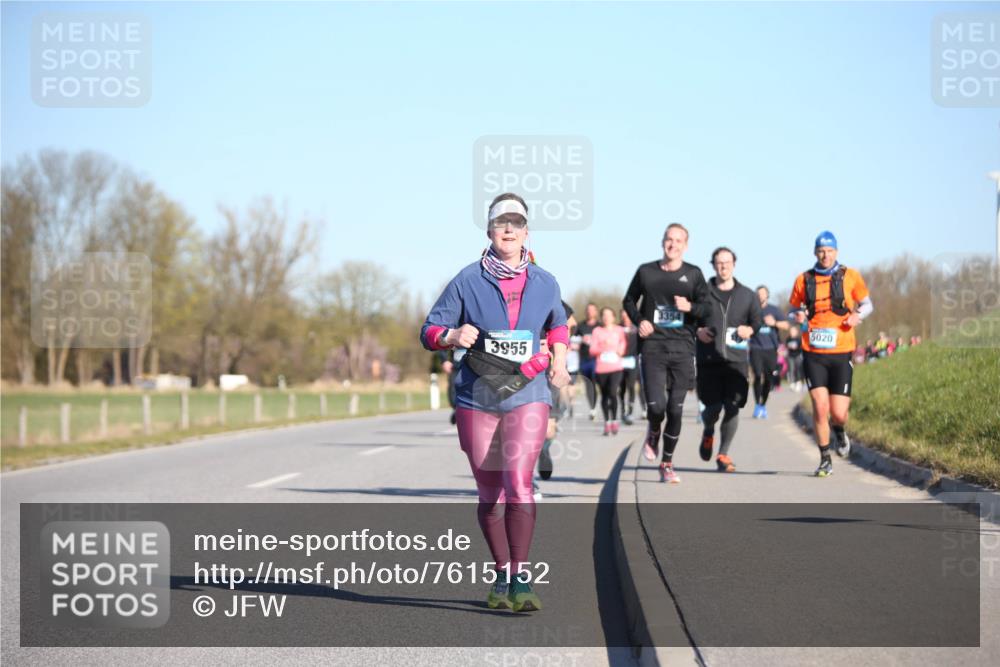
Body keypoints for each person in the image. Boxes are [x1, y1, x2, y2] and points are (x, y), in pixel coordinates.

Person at [420, 192, 569, 611]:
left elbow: (557, 326)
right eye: (501, 222)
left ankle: (521, 577)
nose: (508, 229)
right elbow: (429, 329)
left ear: (526, 232)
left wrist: (559, 360)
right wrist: (450, 336)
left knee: (519, 483)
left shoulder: (546, 281)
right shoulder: (467, 279)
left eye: (516, 223)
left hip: (528, 392)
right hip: (477, 394)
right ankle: (501, 574)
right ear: (489, 231)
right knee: (491, 494)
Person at [623, 223, 710, 483]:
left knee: (675, 409)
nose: (673, 244)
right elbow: (628, 300)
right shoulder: (646, 271)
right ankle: (653, 432)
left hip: (683, 348)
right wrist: (640, 320)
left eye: (678, 241)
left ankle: (667, 463)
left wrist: (690, 306)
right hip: (653, 347)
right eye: (669, 239)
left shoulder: (693, 274)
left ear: (686, 245)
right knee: (657, 406)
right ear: (663, 242)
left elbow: (706, 308)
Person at [789, 231, 874, 477]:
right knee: (819, 405)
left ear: (836, 252)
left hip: (841, 350)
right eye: (821, 251)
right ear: (815, 253)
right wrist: (798, 315)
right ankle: (825, 457)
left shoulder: (851, 276)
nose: (825, 255)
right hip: (813, 351)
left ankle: (839, 430)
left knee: (839, 413)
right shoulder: (803, 280)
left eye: (829, 251)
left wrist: (858, 315)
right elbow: (793, 308)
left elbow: (868, 304)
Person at [694, 247, 761, 472]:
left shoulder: (747, 295)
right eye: (719, 263)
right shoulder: (701, 292)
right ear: (713, 265)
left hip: (736, 362)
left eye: (727, 262)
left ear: (734, 264)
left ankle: (723, 454)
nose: (723, 267)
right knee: (712, 409)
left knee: (733, 407)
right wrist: (698, 331)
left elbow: (757, 323)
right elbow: (687, 318)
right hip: (708, 361)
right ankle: (708, 431)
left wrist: (749, 329)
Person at [537, 301, 576, 484]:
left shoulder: (549, 294)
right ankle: (525, 481)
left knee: (548, 429)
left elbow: (571, 323)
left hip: (547, 368)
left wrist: (559, 350)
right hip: (517, 368)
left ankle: (543, 449)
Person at [748, 285, 789, 419]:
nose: (760, 296)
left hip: (771, 348)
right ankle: (757, 405)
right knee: (758, 376)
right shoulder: (751, 309)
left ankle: (763, 404)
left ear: (767, 295)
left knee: (769, 377)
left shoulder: (774, 310)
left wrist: (774, 323)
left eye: (763, 294)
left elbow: (786, 325)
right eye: (758, 294)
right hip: (755, 347)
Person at [588, 307, 628, 435]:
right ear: (601, 317)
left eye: (608, 315)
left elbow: (623, 343)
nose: (606, 317)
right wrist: (603, 347)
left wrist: (620, 350)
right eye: (604, 315)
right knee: (605, 395)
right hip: (601, 368)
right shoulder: (597, 331)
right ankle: (607, 422)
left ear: (613, 317)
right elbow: (592, 350)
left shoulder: (619, 330)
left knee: (613, 392)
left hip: (616, 367)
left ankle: (614, 420)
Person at [575, 303, 600, 420]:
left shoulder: (600, 326)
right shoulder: (580, 326)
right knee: (589, 384)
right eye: (588, 310)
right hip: (584, 359)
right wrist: (581, 339)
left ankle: (604, 404)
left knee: (597, 382)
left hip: (597, 359)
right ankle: (593, 408)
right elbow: (572, 340)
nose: (590, 312)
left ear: (596, 312)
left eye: (592, 310)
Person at [618, 309, 640, 425]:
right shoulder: (617, 328)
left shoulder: (636, 327)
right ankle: (623, 410)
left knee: (631, 386)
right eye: (623, 316)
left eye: (627, 316)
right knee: (621, 387)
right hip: (619, 361)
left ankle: (630, 411)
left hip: (632, 360)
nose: (625, 318)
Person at [785, 324, 805, 391]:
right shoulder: (788, 339)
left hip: (798, 355)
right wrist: (789, 347)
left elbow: (801, 347)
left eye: (793, 331)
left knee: (798, 369)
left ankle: (798, 382)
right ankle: (792, 382)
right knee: (791, 369)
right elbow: (786, 346)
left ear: (796, 332)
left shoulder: (799, 339)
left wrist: (796, 348)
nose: (792, 332)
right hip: (790, 356)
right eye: (791, 331)